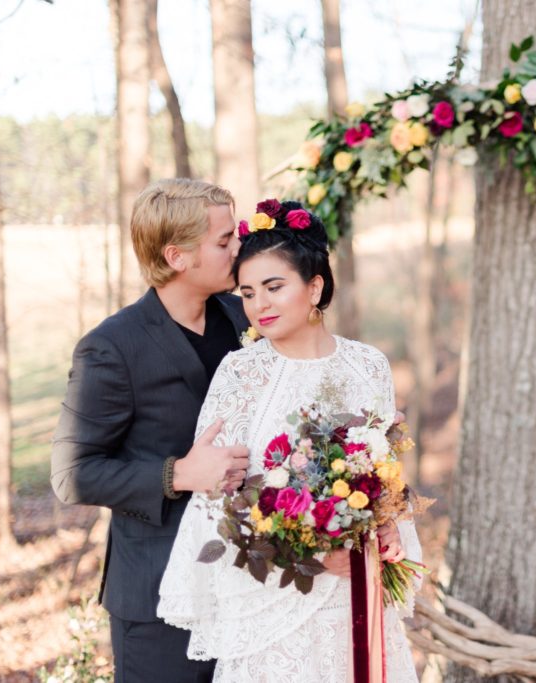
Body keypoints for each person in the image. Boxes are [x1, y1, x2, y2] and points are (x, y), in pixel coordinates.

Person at [157, 199, 421, 682]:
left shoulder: (368, 366)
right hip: (277, 605)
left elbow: (385, 475)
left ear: (314, 286)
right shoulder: (241, 373)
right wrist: (312, 557)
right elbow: (218, 501)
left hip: (357, 597)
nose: (259, 305)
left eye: (274, 287)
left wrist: (388, 528)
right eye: (248, 292)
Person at [51, 178, 252, 682]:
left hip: (249, 585)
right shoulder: (110, 348)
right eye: (224, 240)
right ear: (177, 257)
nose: (239, 247)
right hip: (157, 600)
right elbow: (73, 474)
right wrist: (178, 474)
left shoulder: (245, 317)